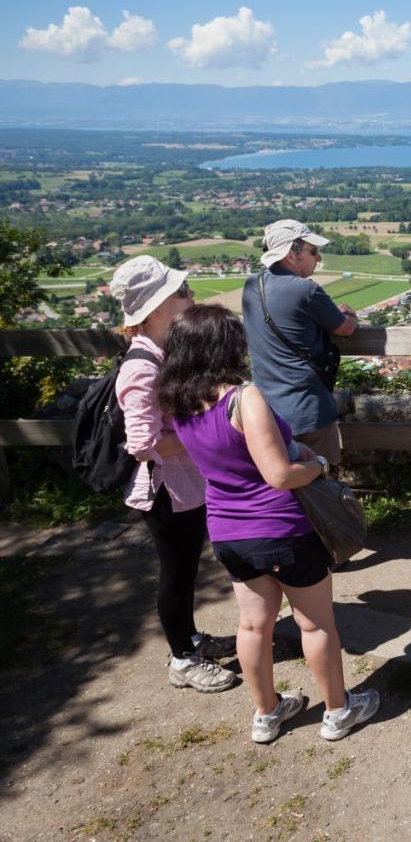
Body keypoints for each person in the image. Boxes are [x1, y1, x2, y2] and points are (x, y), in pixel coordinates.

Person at [158, 304, 379, 744]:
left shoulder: (179, 403)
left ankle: (267, 713)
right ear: (228, 346)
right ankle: (339, 711)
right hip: (281, 527)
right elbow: (278, 475)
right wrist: (316, 465)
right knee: (315, 624)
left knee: (253, 626)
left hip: (227, 531)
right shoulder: (243, 398)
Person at [109, 255, 237, 693]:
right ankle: (183, 659)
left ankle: (191, 637)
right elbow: (143, 444)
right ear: (157, 308)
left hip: (185, 485)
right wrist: (203, 431)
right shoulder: (141, 368)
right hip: (165, 490)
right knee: (177, 574)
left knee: (187, 571)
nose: (191, 296)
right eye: (182, 292)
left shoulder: (165, 355)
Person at [242, 219, 358, 467]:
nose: (318, 258)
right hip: (308, 410)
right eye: (313, 251)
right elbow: (345, 328)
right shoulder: (305, 290)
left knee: (282, 487)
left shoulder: (253, 285)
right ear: (292, 254)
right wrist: (349, 314)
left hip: (268, 410)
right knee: (320, 483)